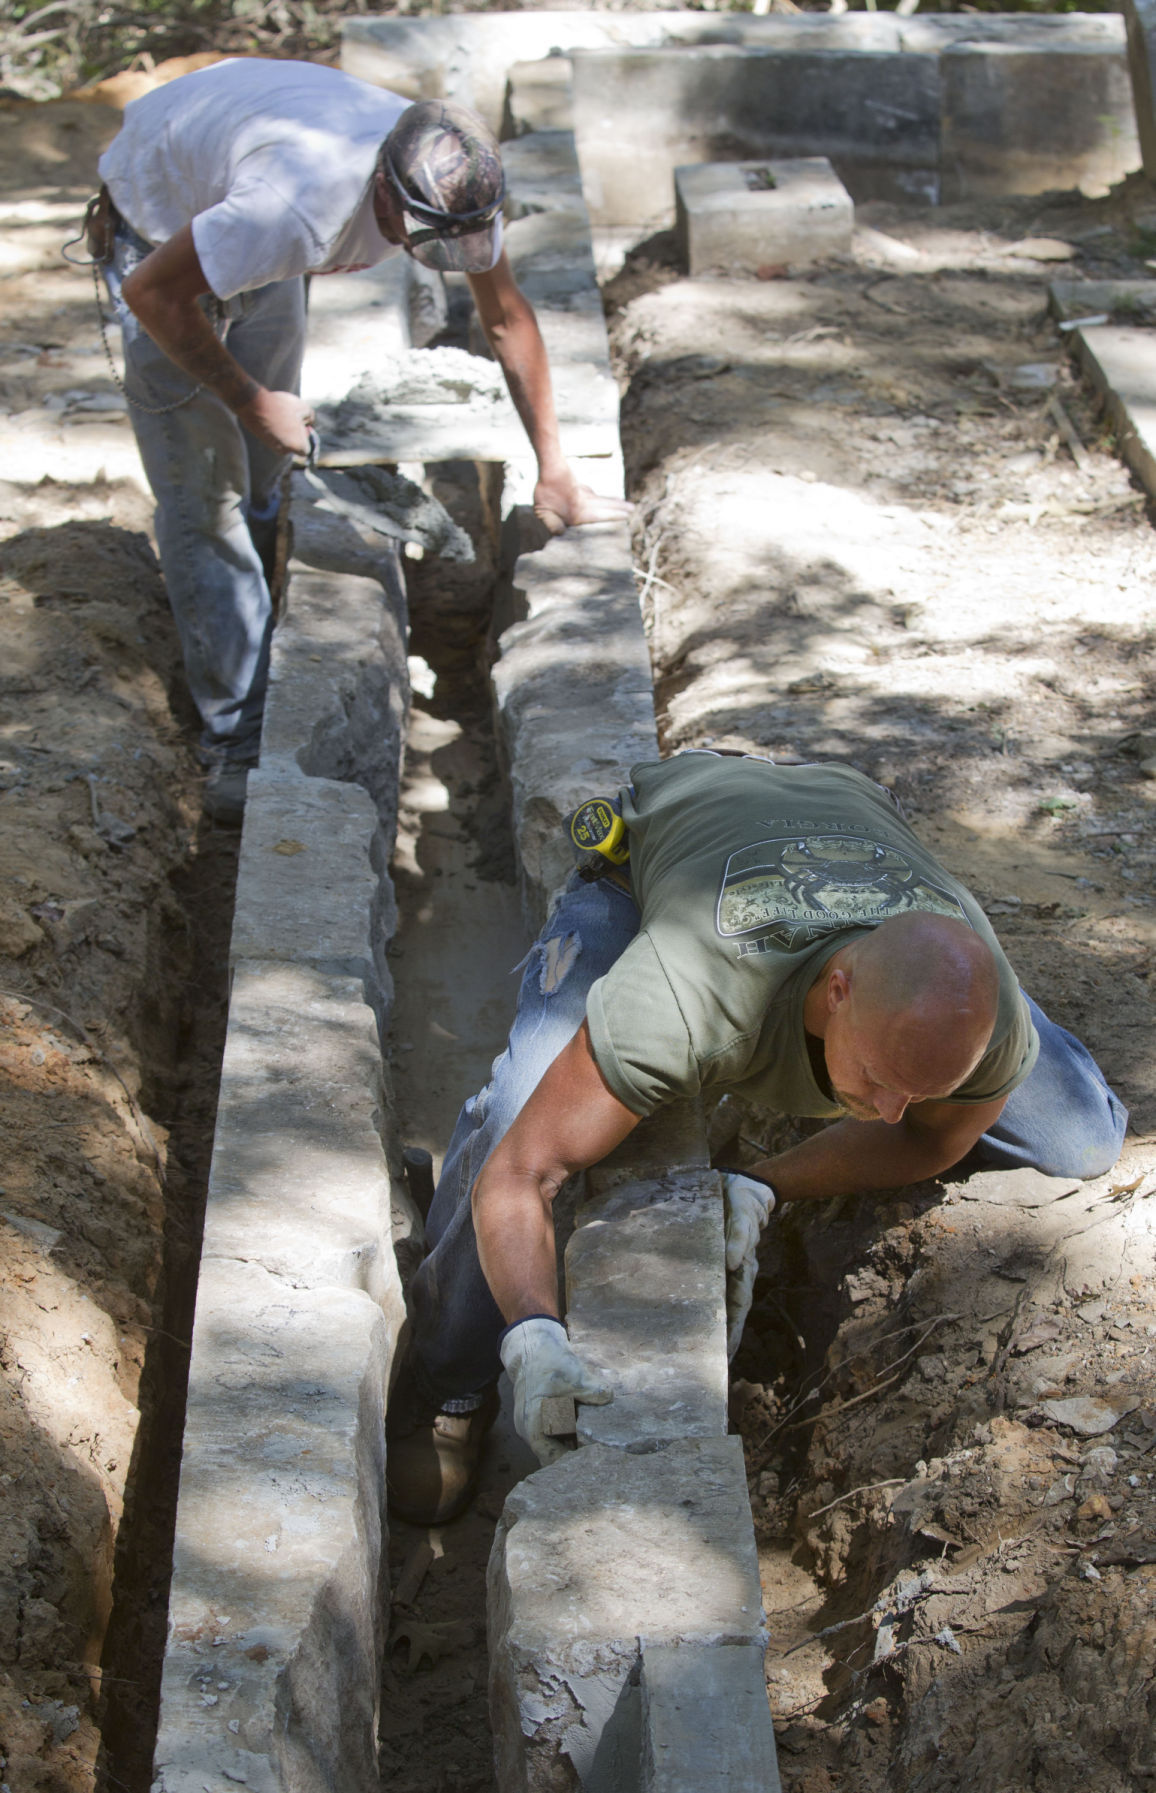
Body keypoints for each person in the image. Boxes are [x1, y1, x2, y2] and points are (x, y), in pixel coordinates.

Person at [386, 751, 1128, 1524]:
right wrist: (533, 1337)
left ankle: (937, 1012)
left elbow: (927, 1140)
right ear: (838, 991)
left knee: (1082, 1139)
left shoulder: (989, 1016)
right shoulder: (688, 993)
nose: (889, 1109)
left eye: (921, 1087)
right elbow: (523, 1171)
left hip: (847, 808)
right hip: (667, 853)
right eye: (877, 1074)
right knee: (521, 1109)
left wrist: (765, 1182)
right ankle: (446, 1379)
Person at [92, 59, 628, 822]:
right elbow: (154, 294)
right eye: (426, 245)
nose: (443, 259)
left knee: (265, 469)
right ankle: (236, 740)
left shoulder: (457, 181)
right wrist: (250, 400)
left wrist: (555, 467)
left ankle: (265, 567)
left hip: (244, 209)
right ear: (384, 194)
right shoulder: (287, 212)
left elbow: (506, 315)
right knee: (202, 501)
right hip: (161, 236)